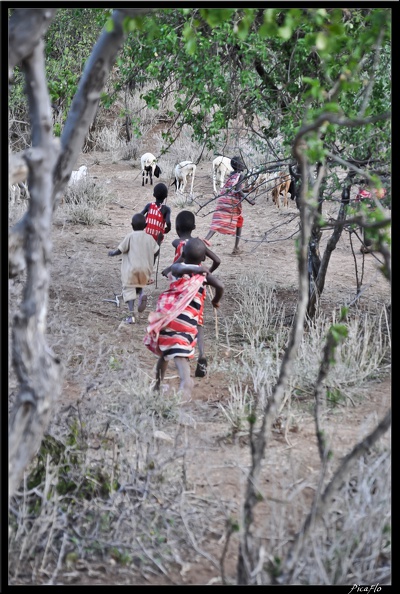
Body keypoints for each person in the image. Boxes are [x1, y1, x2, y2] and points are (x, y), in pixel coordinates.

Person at [144, 238, 224, 402]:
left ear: (182, 253)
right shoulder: (202, 275)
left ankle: (173, 385)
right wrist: (215, 300)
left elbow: (177, 267)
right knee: (176, 354)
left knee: (167, 352)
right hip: (187, 324)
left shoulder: (177, 269)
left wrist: (196, 269)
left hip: (170, 319)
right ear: (203, 259)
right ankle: (176, 384)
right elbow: (220, 286)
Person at [161, 210, 221, 378]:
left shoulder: (178, 242)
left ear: (177, 228)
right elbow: (217, 260)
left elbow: (178, 252)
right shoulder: (199, 245)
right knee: (198, 321)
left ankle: (178, 351)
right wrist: (207, 273)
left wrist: (167, 269)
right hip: (198, 288)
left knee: (177, 320)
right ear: (194, 227)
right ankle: (201, 354)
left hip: (179, 289)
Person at [108, 213, 160, 324]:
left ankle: (131, 316)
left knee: (129, 290)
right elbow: (157, 251)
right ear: (146, 225)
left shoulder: (130, 236)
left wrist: (112, 253)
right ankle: (141, 295)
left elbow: (120, 250)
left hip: (131, 271)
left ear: (132, 225)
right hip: (145, 270)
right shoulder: (149, 238)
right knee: (139, 285)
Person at [204, 155, 255, 255]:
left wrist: (247, 190)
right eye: (242, 162)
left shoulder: (231, 175)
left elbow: (234, 187)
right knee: (239, 221)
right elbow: (237, 190)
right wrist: (249, 200)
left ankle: (205, 240)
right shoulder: (241, 176)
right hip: (231, 202)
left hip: (223, 199)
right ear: (239, 165)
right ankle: (236, 248)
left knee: (218, 221)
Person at [140, 182, 172, 247]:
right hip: (157, 237)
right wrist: (168, 228)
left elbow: (140, 215)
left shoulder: (149, 206)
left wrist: (143, 225)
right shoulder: (166, 209)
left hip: (147, 234)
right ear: (166, 196)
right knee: (155, 252)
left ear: (153, 195)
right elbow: (168, 222)